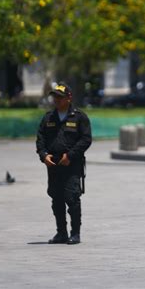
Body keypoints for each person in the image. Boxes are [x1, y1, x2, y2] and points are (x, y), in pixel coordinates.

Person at [36, 83, 92, 244]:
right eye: (55, 97)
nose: (57, 100)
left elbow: (86, 139)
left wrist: (70, 156)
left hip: (72, 164)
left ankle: (75, 233)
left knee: (72, 197)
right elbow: (40, 139)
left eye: (60, 97)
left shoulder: (79, 117)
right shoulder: (48, 118)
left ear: (69, 98)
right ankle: (61, 233)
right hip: (53, 164)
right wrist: (43, 155)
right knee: (56, 198)